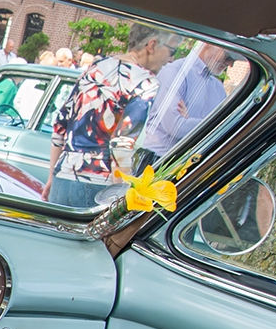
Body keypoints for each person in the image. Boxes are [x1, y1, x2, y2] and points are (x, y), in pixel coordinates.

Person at [43, 23, 180, 208]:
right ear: (152, 45)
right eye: (172, 50)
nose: (171, 59)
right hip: (100, 186)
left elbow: (60, 123)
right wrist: (123, 196)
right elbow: (122, 143)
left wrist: (51, 176)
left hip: (63, 176)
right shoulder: (145, 82)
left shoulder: (96, 68)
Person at [132, 43, 231, 170]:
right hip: (158, 163)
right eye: (227, 56)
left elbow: (225, 133)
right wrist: (216, 125)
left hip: (195, 167)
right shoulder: (175, 72)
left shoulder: (218, 88)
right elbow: (176, 127)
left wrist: (192, 122)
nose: (230, 64)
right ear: (208, 43)